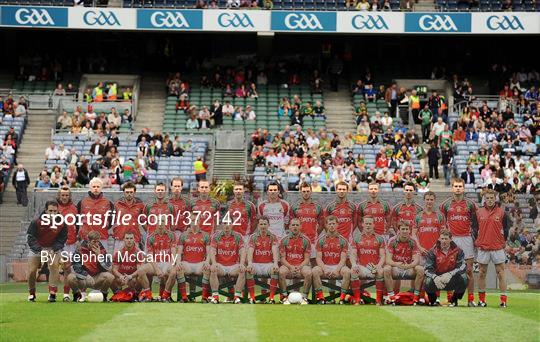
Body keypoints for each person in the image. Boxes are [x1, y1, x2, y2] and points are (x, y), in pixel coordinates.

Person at [440, 178, 478, 307]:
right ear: (452, 188)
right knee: (449, 270)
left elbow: (476, 221)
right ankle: (451, 300)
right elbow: (442, 221)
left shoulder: (471, 204)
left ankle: (470, 299)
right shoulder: (445, 205)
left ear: (464, 188)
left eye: (460, 186)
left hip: (466, 239)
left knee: (468, 271)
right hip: (452, 240)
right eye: (455, 186)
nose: (457, 188)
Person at [475, 189, 511, 307]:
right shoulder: (479, 212)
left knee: (501, 273)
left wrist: (503, 241)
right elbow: (475, 229)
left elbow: (506, 229)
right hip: (483, 247)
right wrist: (478, 240)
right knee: (481, 273)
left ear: (495, 199)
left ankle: (503, 301)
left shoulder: (502, 212)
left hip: (497, 247)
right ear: (484, 199)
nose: (490, 200)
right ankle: (482, 300)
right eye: (487, 198)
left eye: (492, 198)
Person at [27, 200, 67, 302]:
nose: (53, 213)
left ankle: (52, 293)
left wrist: (54, 249)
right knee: (32, 271)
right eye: (50, 211)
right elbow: (31, 238)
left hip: (52, 248)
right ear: (45, 210)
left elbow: (62, 239)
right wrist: (40, 250)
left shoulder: (62, 223)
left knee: (54, 266)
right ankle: (32, 293)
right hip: (37, 248)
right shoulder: (36, 221)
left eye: (55, 211)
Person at [312, 216, 351, 305]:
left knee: (347, 272)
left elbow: (343, 259)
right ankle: (321, 298)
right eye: (330, 224)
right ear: (326, 225)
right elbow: (318, 258)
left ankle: (341, 299)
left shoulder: (343, 240)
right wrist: (325, 269)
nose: (332, 226)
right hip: (325, 266)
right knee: (315, 271)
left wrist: (337, 270)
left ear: (337, 225)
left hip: (338, 266)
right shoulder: (321, 240)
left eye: (334, 224)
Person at [67, 230, 115, 302]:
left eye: (97, 241)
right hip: (84, 279)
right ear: (88, 241)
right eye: (94, 242)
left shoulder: (101, 249)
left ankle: (103, 295)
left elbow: (107, 267)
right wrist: (86, 275)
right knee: (70, 277)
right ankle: (77, 295)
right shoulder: (80, 249)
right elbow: (76, 266)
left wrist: (99, 256)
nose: (96, 244)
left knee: (110, 277)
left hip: (97, 277)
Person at [383, 222, 424, 304]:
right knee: (386, 269)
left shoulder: (413, 241)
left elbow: (416, 260)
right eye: (402, 229)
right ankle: (391, 297)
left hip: (408, 267)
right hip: (396, 267)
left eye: (406, 229)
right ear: (398, 230)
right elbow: (388, 260)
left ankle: (416, 297)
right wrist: (396, 264)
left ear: (409, 230)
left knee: (421, 269)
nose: (405, 231)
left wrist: (409, 265)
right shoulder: (392, 241)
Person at [424, 230, 468, 306]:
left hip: (451, 278)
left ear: (451, 239)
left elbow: (462, 266)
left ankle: (454, 300)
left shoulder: (458, 250)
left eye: (446, 239)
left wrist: (450, 274)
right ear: (439, 239)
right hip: (437, 280)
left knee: (464, 278)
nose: (443, 241)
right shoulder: (432, 251)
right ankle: (433, 301)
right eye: (442, 239)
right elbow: (427, 268)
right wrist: (435, 277)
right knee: (427, 281)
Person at [350, 216, 386, 305]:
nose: (368, 225)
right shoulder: (357, 238)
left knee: (381, 271)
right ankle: (357, 299)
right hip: (362, 267)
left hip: (374, 267)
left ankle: (378, 300)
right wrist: (354, 264)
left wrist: (378, 266)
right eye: (366, 223)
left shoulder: (380, 238)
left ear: (374, 225)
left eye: (370, 223)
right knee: (353, 271)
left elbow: (382, 256)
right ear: (362, 224)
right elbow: (353, 254)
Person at [139, 222, 177, 302]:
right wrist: (157, 269)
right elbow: (149, 256)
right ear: (156, 223)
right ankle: (148, 296)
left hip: (167, 262)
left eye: (163, 221)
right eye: (159, 222)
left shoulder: (172, 235)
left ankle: (165, 296)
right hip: (155, 263)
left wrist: (172, 263)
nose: (161, 224)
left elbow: (174, 251)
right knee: (141, 270)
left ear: (166, 222)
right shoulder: (151, 237)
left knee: (173, 272)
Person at [209, 224, 246, 304]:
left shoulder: (238, 236)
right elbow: (212, 250)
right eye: (225, 223)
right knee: (213, 269)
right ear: (222, 224)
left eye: (229, 223)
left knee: (242, 270)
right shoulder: (216, 236)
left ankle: (236, 297)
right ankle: (215, 297)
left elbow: (242, 251)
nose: (226, 226)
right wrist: (214, 263)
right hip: (221, 266)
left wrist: (242, 263)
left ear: (232, 224)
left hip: (233, 266)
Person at [246, 217, 280, 304]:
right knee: (248, 271)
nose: (263, 226)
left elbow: (274, 250)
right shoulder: (253, 237)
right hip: (256, 264)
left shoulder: (273, 237)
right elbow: (250, 250)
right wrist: (249, 263)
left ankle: (271, 298)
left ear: (268, 225)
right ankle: (252, 298)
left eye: (265, 224)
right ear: (258, 225)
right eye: (261, 224)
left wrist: (275, 263)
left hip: (268, 264)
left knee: (275, 271)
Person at [176, 221, 211, 303]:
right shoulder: (183, 235)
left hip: (200, 264)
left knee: (207, 268)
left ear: (199, 221)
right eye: (192, 220)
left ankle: (204, 297)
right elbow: (179, 252)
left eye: (197, 220)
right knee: (179, 268)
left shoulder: (205, 235)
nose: (194, 223)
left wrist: (207, 261)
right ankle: (184, 297)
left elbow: (209, 252)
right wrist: (178, 262)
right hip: (187, 263)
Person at [279, 218, 312, 305]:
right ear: (289, 227)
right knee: (281, 272)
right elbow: (282, 258)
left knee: (308, 273)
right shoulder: (284, 240)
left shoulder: (306, 240)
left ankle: (304, 298)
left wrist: (299, 267)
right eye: (293, 225)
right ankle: (284, 297)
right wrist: (291, 267)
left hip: (301, 265)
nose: (295, 227)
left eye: (297, 225)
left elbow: (307, 259)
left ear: (300, 226)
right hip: (288, 265)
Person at [77, 177, 114, 252]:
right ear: (90, 188)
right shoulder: (82, 202)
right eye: (94, 187)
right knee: (86, 261)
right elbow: (77, 219)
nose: (96, 188)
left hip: (102, 237)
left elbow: (111, 220)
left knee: (102, 261)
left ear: (101, 188)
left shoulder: (108, 203)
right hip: (86, 238)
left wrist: (103, 227)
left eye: (98, 186)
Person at [56, 187, 79, 301]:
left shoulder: (74, 208)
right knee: (59, 268)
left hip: (72, 242)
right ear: (59, 196)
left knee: (70, 269)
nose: (64, 197)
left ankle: (70, 293)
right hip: (59, 243)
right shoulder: (54, 208)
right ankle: (57, 294)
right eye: (62, 195)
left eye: (66, 195)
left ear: (69, 196)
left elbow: (78, 224)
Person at [290, 182, 323, 260]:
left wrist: (315, 234)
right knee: (298, 262)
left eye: (308, 191)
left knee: (314, 263)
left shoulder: (317, 207)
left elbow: (322, 224)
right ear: (300, 192)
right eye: (304, 191)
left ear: (311, 191)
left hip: (313, 240)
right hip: (298, 240)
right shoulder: (294, 207)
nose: (306, 193)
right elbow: (291, 225)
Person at [110, 232, 145, 297]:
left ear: (134, 239)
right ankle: (117, 292)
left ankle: (136, 293)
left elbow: (139, 269)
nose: (129, 240)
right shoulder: (119, 253)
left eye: (131, 238)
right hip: (121, 278)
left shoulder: (138, 253)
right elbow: (114, 269)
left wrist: (130, 276)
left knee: (141, 274)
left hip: (133, 278)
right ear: (123, 239)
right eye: (127, 238)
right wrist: (121, 276)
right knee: (110, 274)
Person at [113, 182, 145, 252]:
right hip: (120, 238)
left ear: (134, 192)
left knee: (135, 261)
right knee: (118, 261)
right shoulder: (117, 204)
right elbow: (111, 220)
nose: (129, 194)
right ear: (124, 192)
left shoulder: (140, 205)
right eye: (127, 192)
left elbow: (144, 222)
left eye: (131, 192)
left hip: (135, 238)